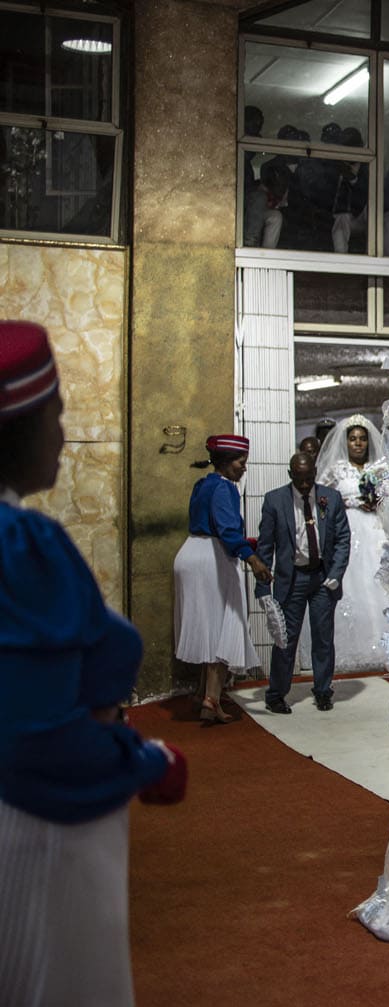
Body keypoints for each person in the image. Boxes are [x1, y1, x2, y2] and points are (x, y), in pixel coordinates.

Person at [0, 320, 187, 1007]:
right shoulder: (21, 543)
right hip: (34, 833)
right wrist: (144, 761)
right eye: (58, 415)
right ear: (23, 426)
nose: (64, 433)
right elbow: (34, 739)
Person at [173, 432, 270, 722]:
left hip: (190, 552)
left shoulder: (203, 484)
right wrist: (252, 558)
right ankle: (211, 701)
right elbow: (227, 530)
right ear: (227, 462)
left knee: (207, 627)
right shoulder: (226, 488)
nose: (244, 467)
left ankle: (202, 693)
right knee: (222, 627)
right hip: (212, 559)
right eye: (241, 461)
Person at [254, 452, 351, 713]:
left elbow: (342, 539)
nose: (305, 485)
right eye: (300, 479)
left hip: (322, 577)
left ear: (315, 473)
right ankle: (276, 693)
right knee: (285, 638)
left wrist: (336, 572)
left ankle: (322, 689)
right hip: (292, 578)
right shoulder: (275, 501)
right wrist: (263, 587)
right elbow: (265, 547)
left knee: (323, 636)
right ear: (290, 475)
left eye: (309, 479)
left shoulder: (330, 498)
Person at [314, 415, 389, 672]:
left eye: (362, 439)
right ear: (346, 442)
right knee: (352, 582)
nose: (358, 444)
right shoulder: (336, 469)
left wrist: (378, 501)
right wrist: (345, 503)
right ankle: (349, 644)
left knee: (378, 580)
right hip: (348, 529)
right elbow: (319, 499)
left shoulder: (379, 468)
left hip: (375, 528)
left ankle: (383, 641)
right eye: (353, 439)